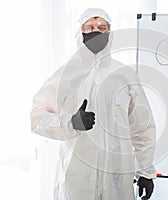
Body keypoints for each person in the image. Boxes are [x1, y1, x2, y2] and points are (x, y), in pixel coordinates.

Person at [30, 8, 156, 200]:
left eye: (101, 27)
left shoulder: (125, 75)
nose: (95, 31)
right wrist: (71, 123)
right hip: (76, 180)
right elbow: (37, 117)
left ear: (109, 33)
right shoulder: (65, 75)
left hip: (117, 180)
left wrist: (146, 172)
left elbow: (142, 127)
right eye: (89, 27)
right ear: (80, 33)